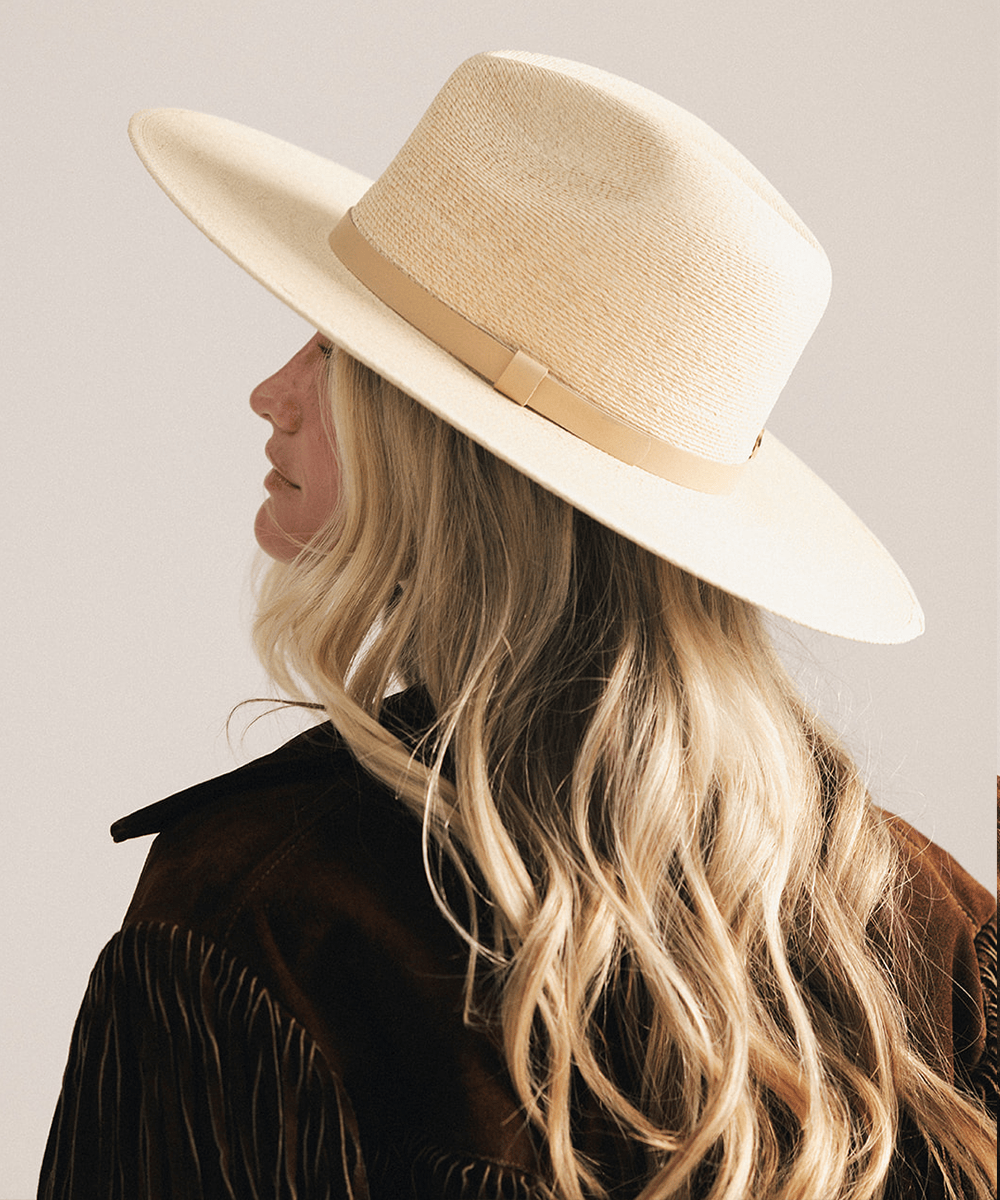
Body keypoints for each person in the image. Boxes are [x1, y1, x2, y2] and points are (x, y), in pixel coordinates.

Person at [38, 51, 995, 1200]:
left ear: (445, 452)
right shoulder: (925, 923)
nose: (273, 392)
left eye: (336, 347)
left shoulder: (266, 920)